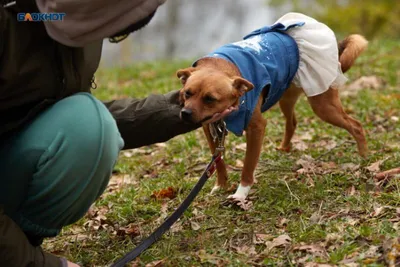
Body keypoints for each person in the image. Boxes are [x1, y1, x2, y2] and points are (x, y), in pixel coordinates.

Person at [0, 0, 236, 266]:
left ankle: (21, 238)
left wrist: (183, 109)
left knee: (87, 124)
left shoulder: (57, 17)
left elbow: (70, 117)